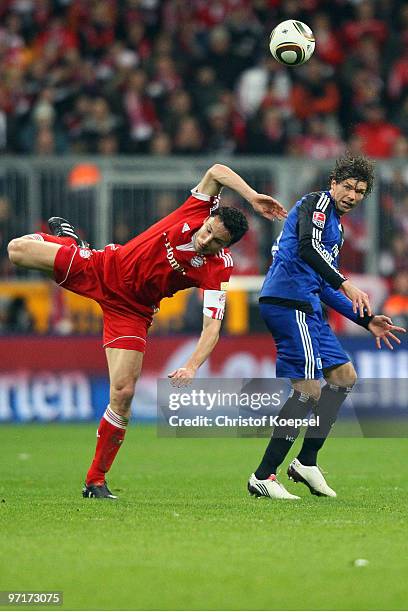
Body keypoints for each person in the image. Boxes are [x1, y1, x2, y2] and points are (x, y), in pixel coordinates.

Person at [7, 164, 287, 499]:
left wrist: (193, 365)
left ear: (227, 247)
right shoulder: (198, 209)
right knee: (16, 251)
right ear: (209, 219)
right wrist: (253, 196)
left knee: (123, 393)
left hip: (132, 311)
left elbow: (212, 327)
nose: (205, 239)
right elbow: (216, 171)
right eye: (208, 230)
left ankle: (95, 481)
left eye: (216, 241)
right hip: (103, 268)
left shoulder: (218, 269)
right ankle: (69, 242)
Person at [249, 154, 405, 500]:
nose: (352, 194)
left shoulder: (338, 227)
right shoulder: (316, 203)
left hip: (308, 304)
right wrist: (346, 282)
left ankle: (306, 461)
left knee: (344, 377)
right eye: (347, 186)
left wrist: (366, 320)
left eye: (360, 191)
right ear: (334, 182)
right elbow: (306, 249)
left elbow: (324, 286)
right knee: (309, 391)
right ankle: (263, 476)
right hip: (288, 302)